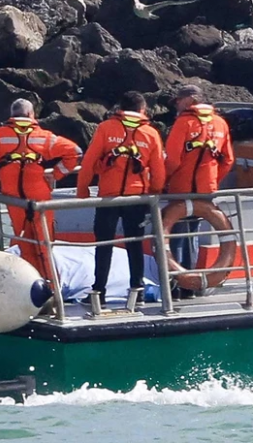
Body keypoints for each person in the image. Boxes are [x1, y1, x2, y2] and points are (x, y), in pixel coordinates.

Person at [0, 98, 82, 282]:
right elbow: (76, 152)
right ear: (31, 114)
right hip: (39, 196)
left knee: (25, 245)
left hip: (13, 197)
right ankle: (52, 289)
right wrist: (56, 174)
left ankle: (32, 286)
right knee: (44, 245)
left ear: (12, 115)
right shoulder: (44, 136)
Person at [76, 91, 166, 309]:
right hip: (137, 198)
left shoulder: (106, 128)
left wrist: (83, 190)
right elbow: (159, 171)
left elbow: (88, 161)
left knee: (104, 244)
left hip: (109, 197)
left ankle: (99, 292)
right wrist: (153, 191)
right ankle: (138, 291)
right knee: (135, 244)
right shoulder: (151, 133)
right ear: (142, 110)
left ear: (120, 108)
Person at [163, 84, 234, 299]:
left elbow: (173, 159)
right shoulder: (221, 123)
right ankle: (190, 285)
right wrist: (213, 180)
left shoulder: (183, 123)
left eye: (179, 100)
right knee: (192, 234)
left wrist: (164, 181)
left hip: (181, 189)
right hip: (206, 190)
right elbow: (228, 160)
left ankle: (178, 286)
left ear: (189, 101)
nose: (176, 104)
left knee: (176, 236)